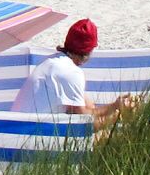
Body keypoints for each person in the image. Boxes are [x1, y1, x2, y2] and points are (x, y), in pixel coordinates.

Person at [9, 18, 141, 128]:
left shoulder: (52, 61)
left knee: (88, 106)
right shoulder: (71, 72)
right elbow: (85, 123)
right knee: (99, 134)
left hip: (16, 128)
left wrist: (116, 106)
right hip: (32, 135)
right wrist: (118, 113)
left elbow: (87, 107)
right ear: (89, 52)